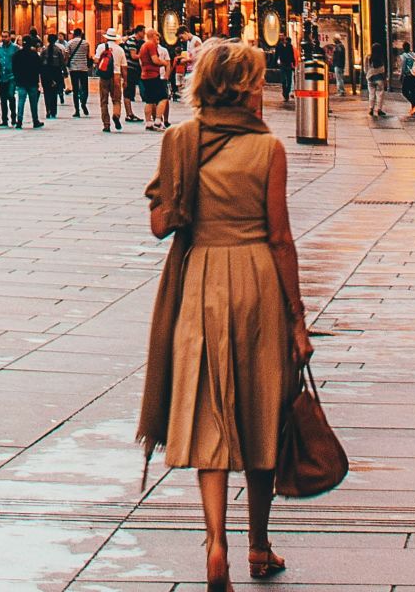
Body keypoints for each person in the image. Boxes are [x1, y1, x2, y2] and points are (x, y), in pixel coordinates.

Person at [140, 39, 314, 592]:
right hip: (259, 280)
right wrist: (297, 318)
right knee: (262, 407)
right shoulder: (269, 150)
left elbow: (160, 224)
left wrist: (180, 197)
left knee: (208, 411)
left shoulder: (179, 140)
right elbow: (281, 236)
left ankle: (215, 543)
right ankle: (258, 545)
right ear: (244, 89)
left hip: (202, 283)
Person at [138, 33, 171, 131]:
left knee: (149, 100)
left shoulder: (143, 46)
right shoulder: (151, 45)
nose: (158, 40)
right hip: (153, 75)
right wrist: (164, 63)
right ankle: (157, 121)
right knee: (163, 97)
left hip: (145, 75)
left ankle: (148, 122)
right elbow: (155, 60)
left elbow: (141, 61)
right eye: (157, 38)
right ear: (152, 36)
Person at [95, 29, 126, 132]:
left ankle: (106, 124)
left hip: (104, 75)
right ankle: (116, 115)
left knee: (104, 101)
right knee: (116, 99)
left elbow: (96, 60)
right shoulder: (120, 49)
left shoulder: (101, 47)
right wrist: (125, 80)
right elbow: (124, 67)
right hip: (116, 75)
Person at [12, 34, 45, 128]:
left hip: (21, 81)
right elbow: (39, 67)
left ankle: (19, 121)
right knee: (33, 102)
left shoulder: (17, 54)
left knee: (21, 101)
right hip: (32, 81)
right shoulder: (34, 54)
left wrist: (17, 78)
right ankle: (35, 120)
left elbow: (14, 68)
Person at [65, 27, 91, 117]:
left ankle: (77, 111)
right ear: (81, 34)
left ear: (74, 34)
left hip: (73, 68)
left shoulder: (70, 43)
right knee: (85, 88)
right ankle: (83, 103)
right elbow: (88, 55)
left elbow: (67, 55)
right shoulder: (86, 43)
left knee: (75, 90)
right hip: (83, 68)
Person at [41, 33, 68, 118]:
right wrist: (65, 72)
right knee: (54, 92)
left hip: (45, 72)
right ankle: (53, 110)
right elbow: (62, 62)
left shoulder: (44, 50)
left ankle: (48, 109)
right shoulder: (58, 50)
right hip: (56, 72)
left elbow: (40, 62)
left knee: (47, 92)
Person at [0, 32, 19, 127]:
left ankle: (13, 117)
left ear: (9, 37)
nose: (4, 38)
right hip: (1, 76)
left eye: (6, 37)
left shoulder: (15, 48)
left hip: (11, 76)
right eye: (3, 37)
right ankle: (4, 119)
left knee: (10, 95)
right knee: (3, 99)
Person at [121, 27, 144, 122]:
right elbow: (133, 56)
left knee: (130, 90)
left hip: (133, 69)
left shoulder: (136, 41)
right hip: (130, 69)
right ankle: (129, 114)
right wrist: (144, 54)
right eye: (143, 32)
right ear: (138, 32)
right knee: (128, 91)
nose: (144, 34)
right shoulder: (131, 41)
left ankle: (130, 113)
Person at [397, 42, 415, 118]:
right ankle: (413, 109)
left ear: (403, 48)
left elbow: (403, 68)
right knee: (413, 92)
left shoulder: (404, 56)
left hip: (408, 76)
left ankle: (414, 105)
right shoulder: (414, 54)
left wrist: (401, 76)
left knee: (404, 91)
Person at [366, 44, 389, 117]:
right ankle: (379, 109)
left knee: (371, 94)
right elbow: (383, 69)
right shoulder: (381, 58)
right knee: (380, 94)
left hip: (370, 78)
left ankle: (371, 109)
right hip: (379, 78)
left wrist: (367, 74)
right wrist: (385, 78)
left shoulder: (368, 57)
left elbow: (365, 67)